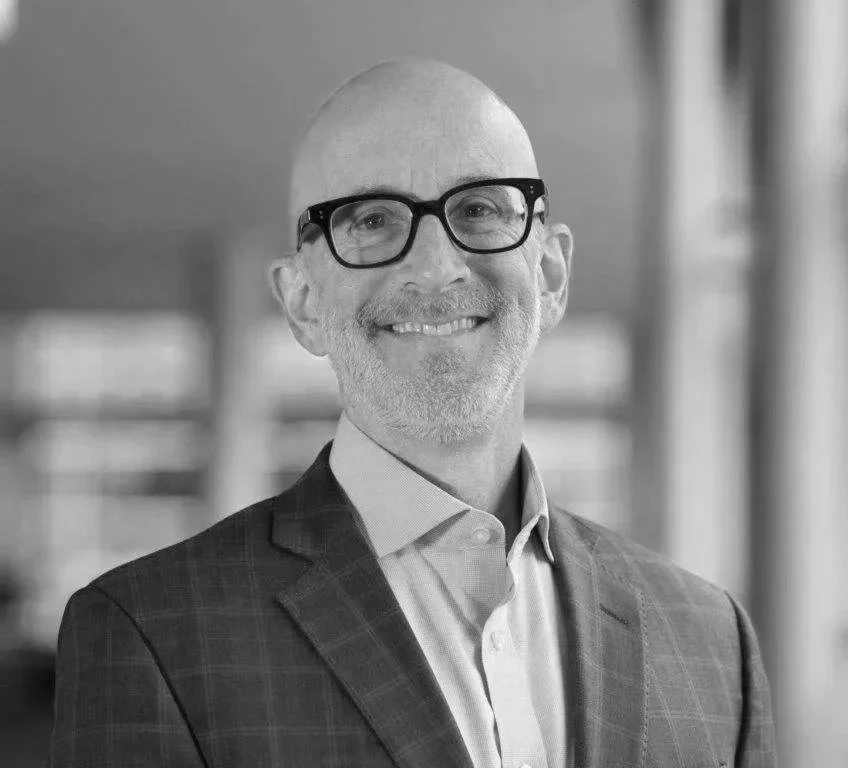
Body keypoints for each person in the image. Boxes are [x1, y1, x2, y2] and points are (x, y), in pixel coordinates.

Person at [50, 59, 777, 767]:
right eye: (371, 219)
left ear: (551, 275)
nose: (434, 267)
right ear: (302, 303)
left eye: (480, 209)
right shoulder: (153, 636)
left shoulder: (712, 643)